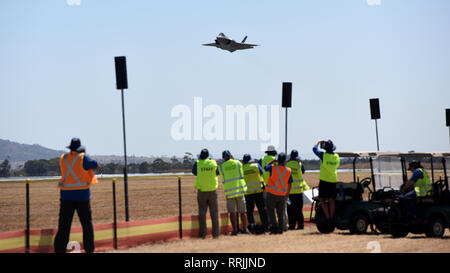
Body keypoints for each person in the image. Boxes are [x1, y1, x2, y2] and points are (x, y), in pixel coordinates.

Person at [54, 138, 100, 253]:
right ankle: (89, 250)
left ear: (70, 148)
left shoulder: (63, 158)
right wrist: (84, 153)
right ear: (80, 148)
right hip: (82, 197)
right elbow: (95, 165)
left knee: (64, 227)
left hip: (66, 197)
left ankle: (59, 250)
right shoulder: (83, 157)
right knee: (87, 226)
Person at [192, 148, 220, 239]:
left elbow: (194, 172)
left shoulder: (198, 163)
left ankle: (203, 234)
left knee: (202, 213)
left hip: (202, 191)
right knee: (214, 213)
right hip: (212, 191)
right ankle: (216, 234)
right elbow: (217, 173)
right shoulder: (213, 163)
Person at [219, 150, 249, 235]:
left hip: (230, 192)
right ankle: (245, 229)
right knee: (243, 212)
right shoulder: (238, 163)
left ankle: (235, 230)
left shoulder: (221, 167)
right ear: (231, 156)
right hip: (240, 191)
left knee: (232, 212)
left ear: (223, 158)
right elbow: (241, 173)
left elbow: (223, 176)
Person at [264, 153, 293, 234]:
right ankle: (281, 228)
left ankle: (274, 227)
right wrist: (287, 193)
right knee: (280, 213)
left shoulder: (272, 168)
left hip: (271, 194)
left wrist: (273, 161)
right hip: (282, 195)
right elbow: (290, 183)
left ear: (278, 160)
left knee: (271, 211)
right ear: (285, 161)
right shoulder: (288, 170)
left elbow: (265, 167)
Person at [313, 140, 340, 222]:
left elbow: (314, 149)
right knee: (332, 200)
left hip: (324, 180)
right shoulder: (336, 156)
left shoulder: (323, 155)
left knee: (321, 199)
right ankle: (331, 217)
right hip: (333, 180)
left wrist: (318, 142)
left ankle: (327, 217)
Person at [242, 154, 269, 233]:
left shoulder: (242, 168)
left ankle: (252, 225)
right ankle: (265, 225)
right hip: (258, 191)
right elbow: (262, 173)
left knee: (250, 210)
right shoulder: (256, 165)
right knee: (262, 209)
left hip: (248, 192)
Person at [286, 150, 310, 230]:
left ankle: (292, 225)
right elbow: (303, 172)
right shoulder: (300, 164)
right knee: (299, 210)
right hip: (299, 192)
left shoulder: (286, 164)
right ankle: (300, 225)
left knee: (290, 210)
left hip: (289, 192)